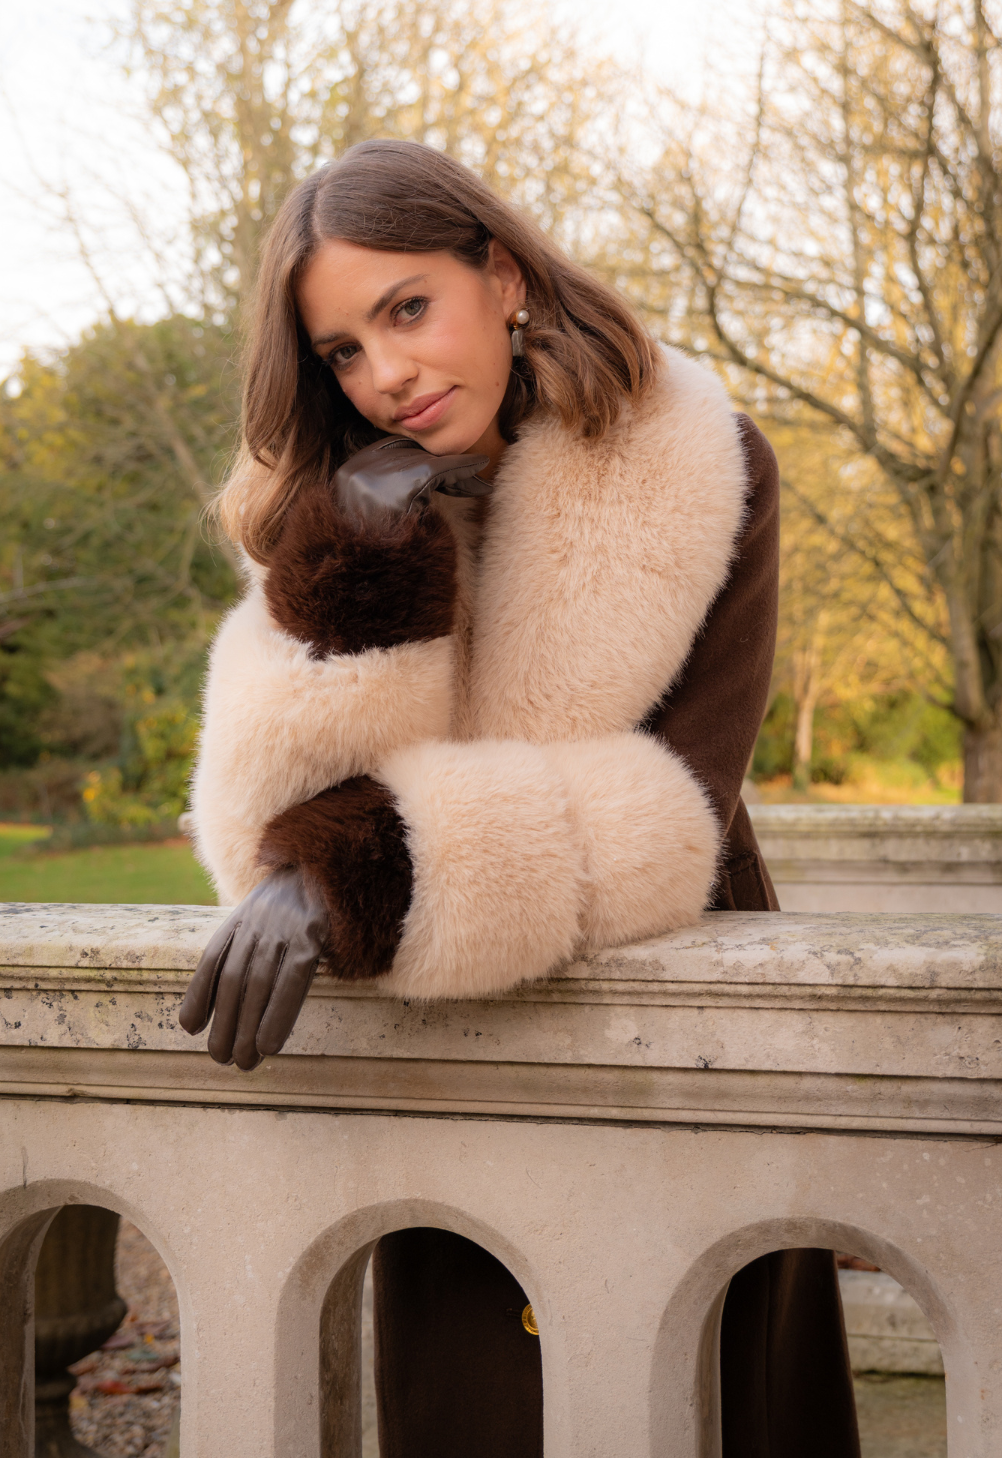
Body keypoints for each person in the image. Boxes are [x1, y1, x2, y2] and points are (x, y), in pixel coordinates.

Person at [179, 139, 859, 1458]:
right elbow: (256, 821)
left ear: (500, 274)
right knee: (481, 1406)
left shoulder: (701, 462)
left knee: (699, 1401)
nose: (387, 376)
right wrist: (364, 571)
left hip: (668, 1012)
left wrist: (356, 867)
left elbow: (676, 803)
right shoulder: (334, 508)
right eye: (342, 352)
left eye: (407, 308)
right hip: (445, 1052)